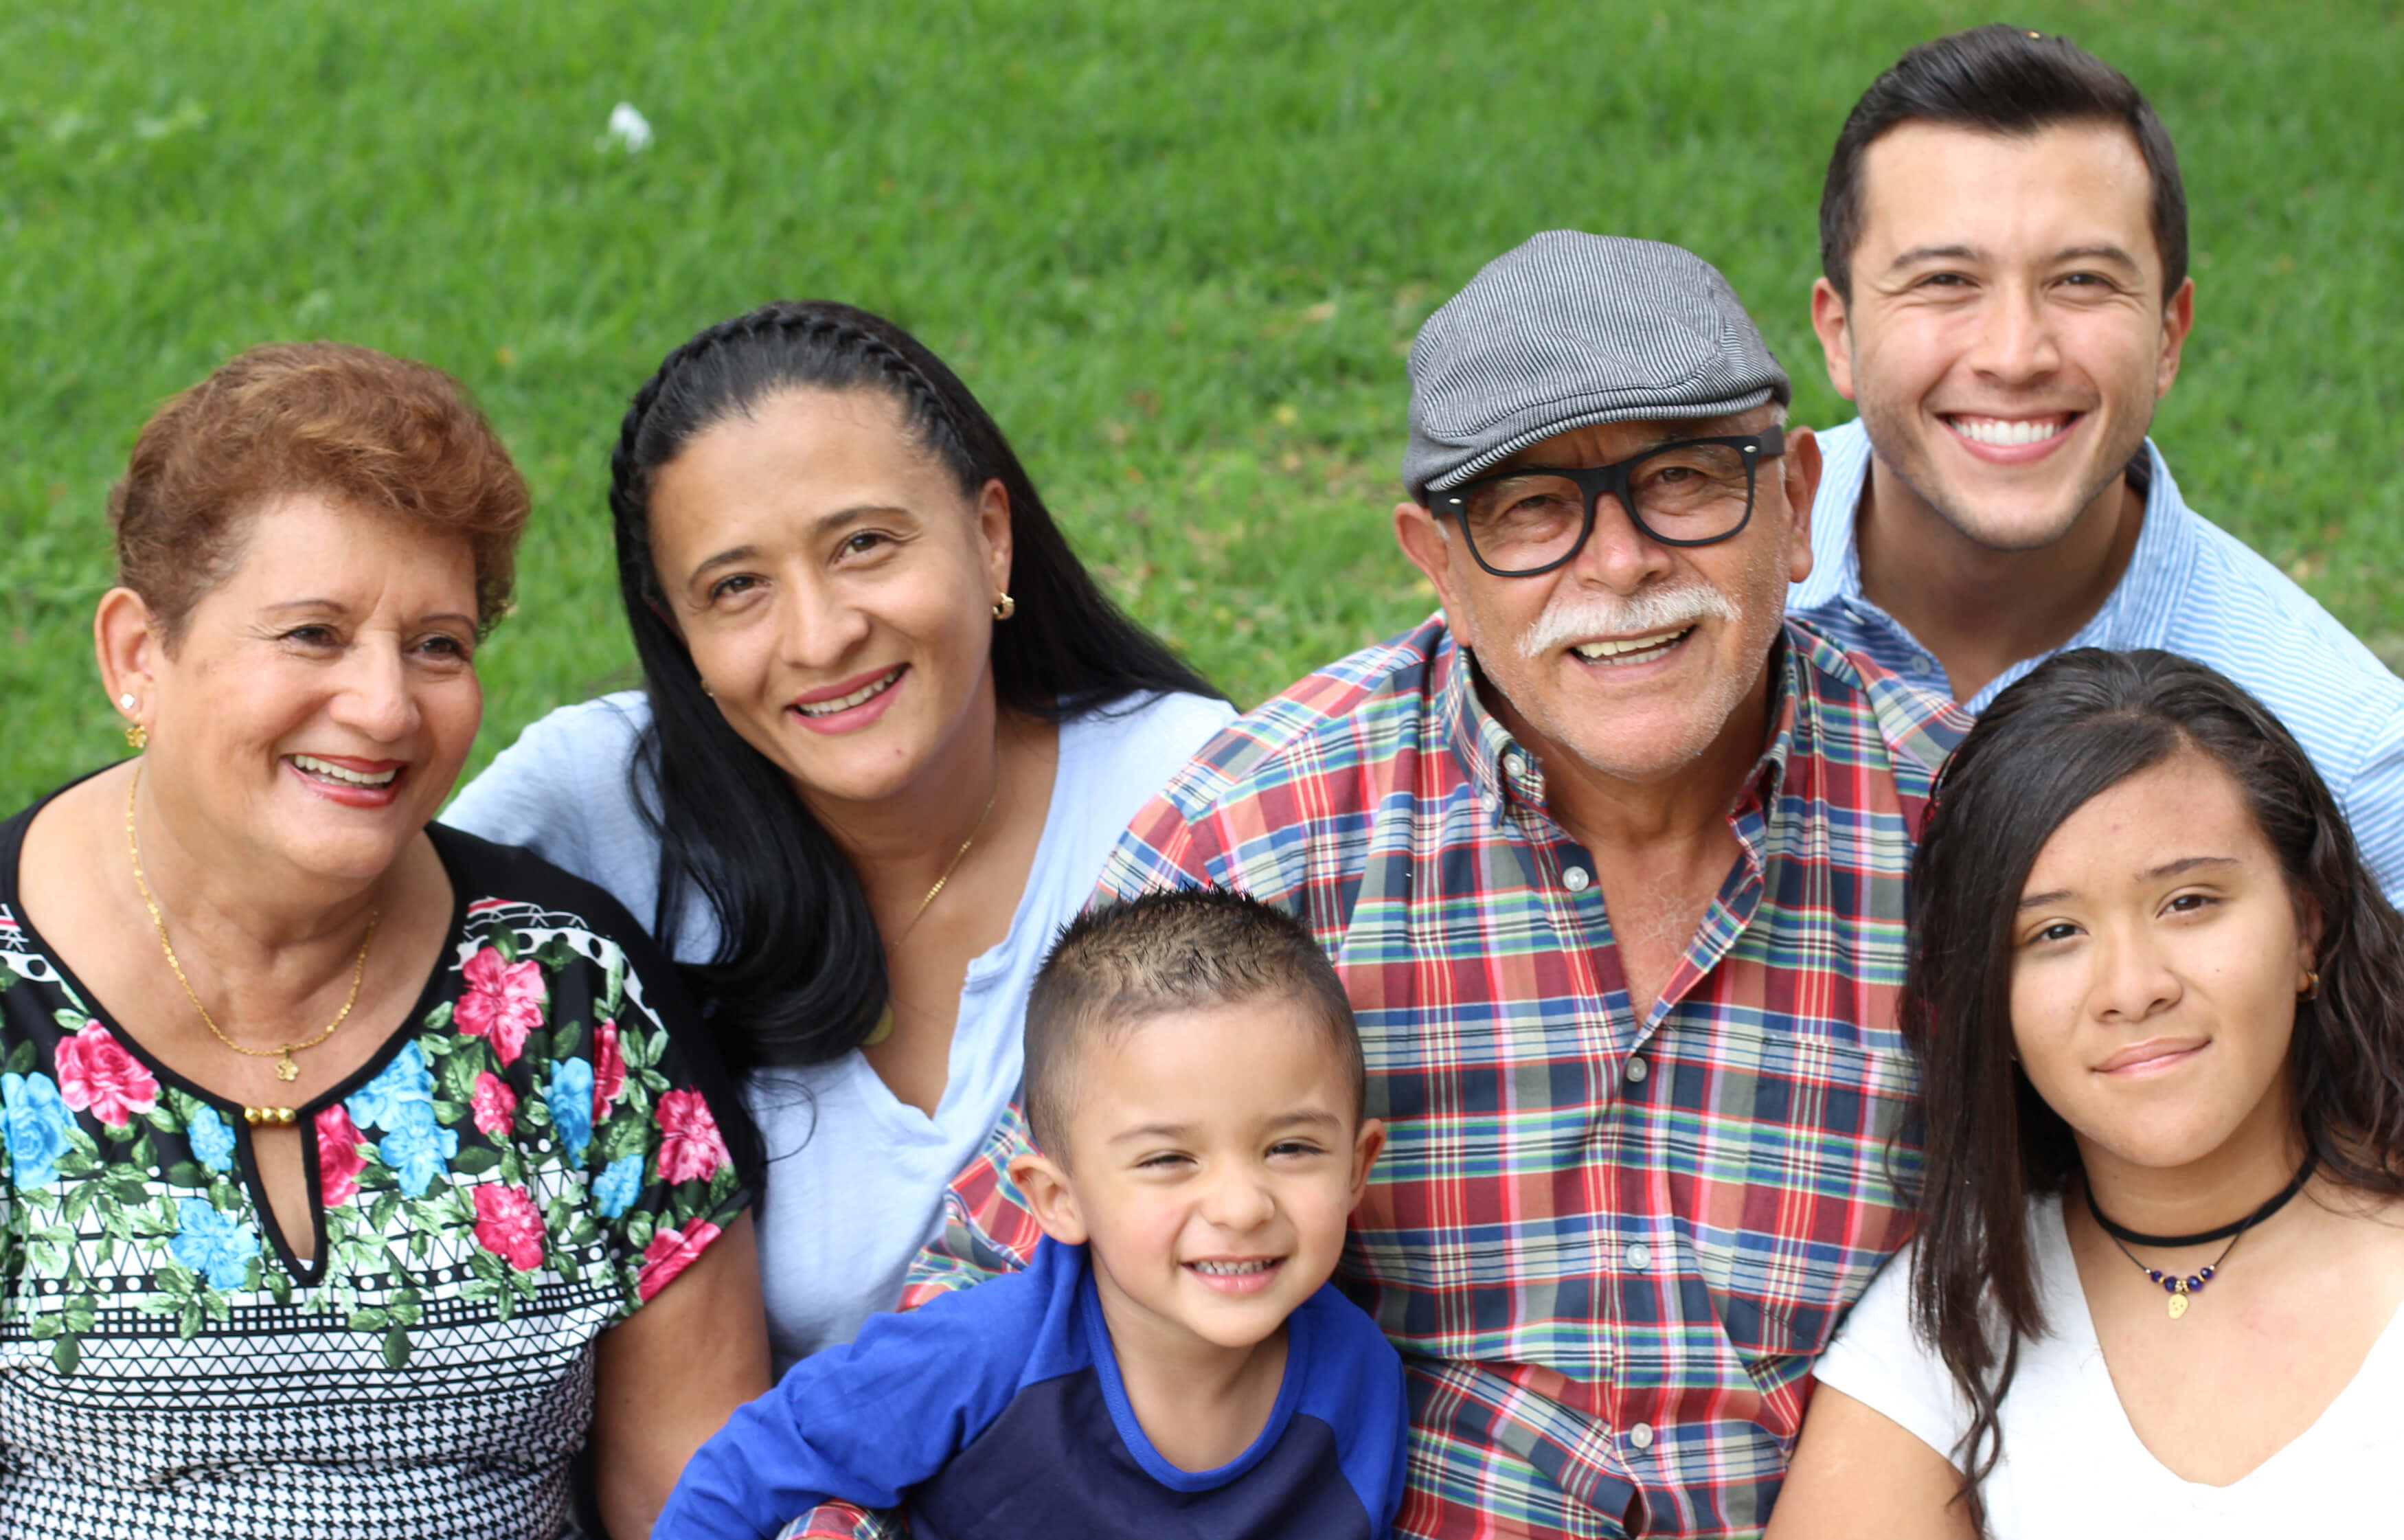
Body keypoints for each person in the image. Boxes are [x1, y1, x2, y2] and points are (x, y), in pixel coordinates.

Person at [854, 233, 1975, 1540]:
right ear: (1434, 562)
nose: (1617, 565)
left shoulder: (1959, 822)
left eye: (1679, 481)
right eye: (1530, 510)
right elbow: (991, 1290)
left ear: (1793, 500)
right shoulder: (1266, 836)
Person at [0, 341, 767, 1537]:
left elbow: (701, 1493)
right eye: (312, 632)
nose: (386, 705)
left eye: (437, 643)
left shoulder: (567, 996)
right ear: (137, 656)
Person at [442, 302, 1232, 1372]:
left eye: (863, 544)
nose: (820, 634)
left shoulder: (1185, 796)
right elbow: (297, 923)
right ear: (680, 634)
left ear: (990, 536)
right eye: (737, 588)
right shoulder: (601, 802)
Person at [1769, 648, 2404, 1537]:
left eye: (2188, 901)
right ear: (1988, 998)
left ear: (2309, 923)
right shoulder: (1947, 1323)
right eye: (2056, 931)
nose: (2132, 985)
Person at [1791, 24, 2404, 901]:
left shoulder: (2343, 759)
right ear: (1838, 334)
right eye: (1943, 281)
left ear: (2167, 336)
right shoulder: (1692, 595)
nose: (2015, 354)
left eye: (2080, 280)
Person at [655, 889, 1406, 1539]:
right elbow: (745, 1469)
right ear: (1059, 1198)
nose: (1242, 1206)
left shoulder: (1359, 1381)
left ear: (1355, 1167)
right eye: (1168, 1159)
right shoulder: (976, 1359)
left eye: (1291, 1147)